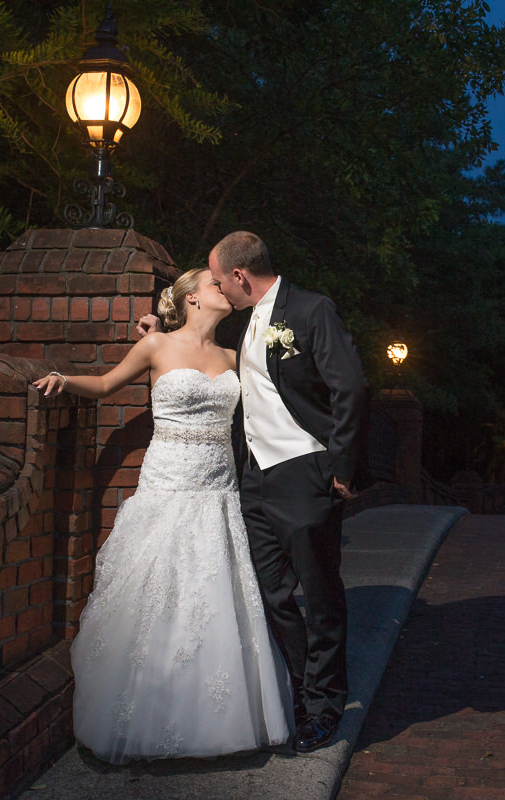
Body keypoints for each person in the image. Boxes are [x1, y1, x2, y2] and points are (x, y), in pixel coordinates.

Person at [33, 267, 292, 764]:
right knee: (159, 592)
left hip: (217, 491)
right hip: (167, 483)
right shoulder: (156, 346)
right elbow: (108, 383)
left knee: (212, 595)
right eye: (214, 283)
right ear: (191, 297)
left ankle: (215, 719)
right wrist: (64, 381)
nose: (224, 287)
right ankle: (150, 709)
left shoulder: (236, 357)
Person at [139, 231, 368, 753]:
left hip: (306, 474)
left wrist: (343, 468)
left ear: (239, 276)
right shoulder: (244, 325)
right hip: (254, 481)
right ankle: (298, 695)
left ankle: (326, 704)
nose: (218, 287)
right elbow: (202, 354)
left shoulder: (311, 311)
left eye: (220, 279)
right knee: (271, 597)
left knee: (320, 592)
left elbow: (350, 387)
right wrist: (159, 328)